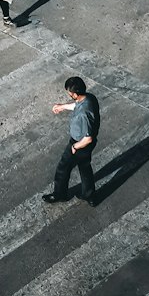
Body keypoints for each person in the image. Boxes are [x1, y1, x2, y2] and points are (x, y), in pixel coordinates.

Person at [43, 76, 100, 207]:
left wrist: (75, 146)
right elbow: (77, 105)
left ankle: (60, 194)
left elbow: (88, 138)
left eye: (69, 92)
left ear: (75, 94)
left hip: (80, 144)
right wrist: (62, 106)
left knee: (62, 168)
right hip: (87, 145)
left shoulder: (83, 114)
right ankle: (89, 195)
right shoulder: (89, 98)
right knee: (85, 167)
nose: (68, 94)